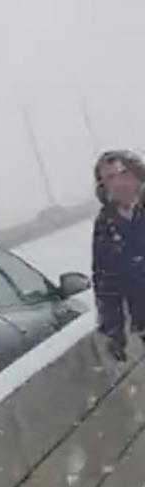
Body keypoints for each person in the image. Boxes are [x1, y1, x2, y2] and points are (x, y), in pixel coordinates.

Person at [92, 150, 145, 363]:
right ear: (103, 186)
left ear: (137, 175)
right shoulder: (105, 223)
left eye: (124, 174)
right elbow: (105, 280)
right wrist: (113, 331)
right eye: (110, 178)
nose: (119, 183)